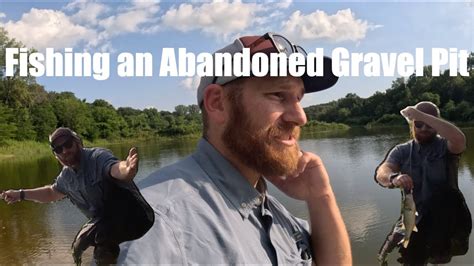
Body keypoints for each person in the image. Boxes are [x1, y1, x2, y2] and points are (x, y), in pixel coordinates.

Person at [119, 32, 352, 264]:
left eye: (298, 99)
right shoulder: (156, 225)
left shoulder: (269, 209)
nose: (300, 117)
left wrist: (321, 196)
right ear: (218, 104)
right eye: (278, 95)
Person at [1, 127, 154, 265]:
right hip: (106, 225)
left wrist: (126, 170)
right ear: (55, 155)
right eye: (58, 148)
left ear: (78, 143)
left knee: (89, 238)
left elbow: (115, 168)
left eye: (68, 144)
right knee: (78, 246)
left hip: (137, 217)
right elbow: (51, 192)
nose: (64, 151)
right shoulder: (66, 177)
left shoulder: (97, 157)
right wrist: (20, 194)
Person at [375, 101, 471, 265]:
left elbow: (459, 139)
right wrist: (394, 178)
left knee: (439, 256)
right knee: (389, 255)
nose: (424, 128)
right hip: (412, 216)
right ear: (412, 125)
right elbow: (382, 172)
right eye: (419, 124)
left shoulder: (446, 146)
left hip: (445, 219)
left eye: (430, 123)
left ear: (437, 124)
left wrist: (420, 116)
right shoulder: (401, 150)